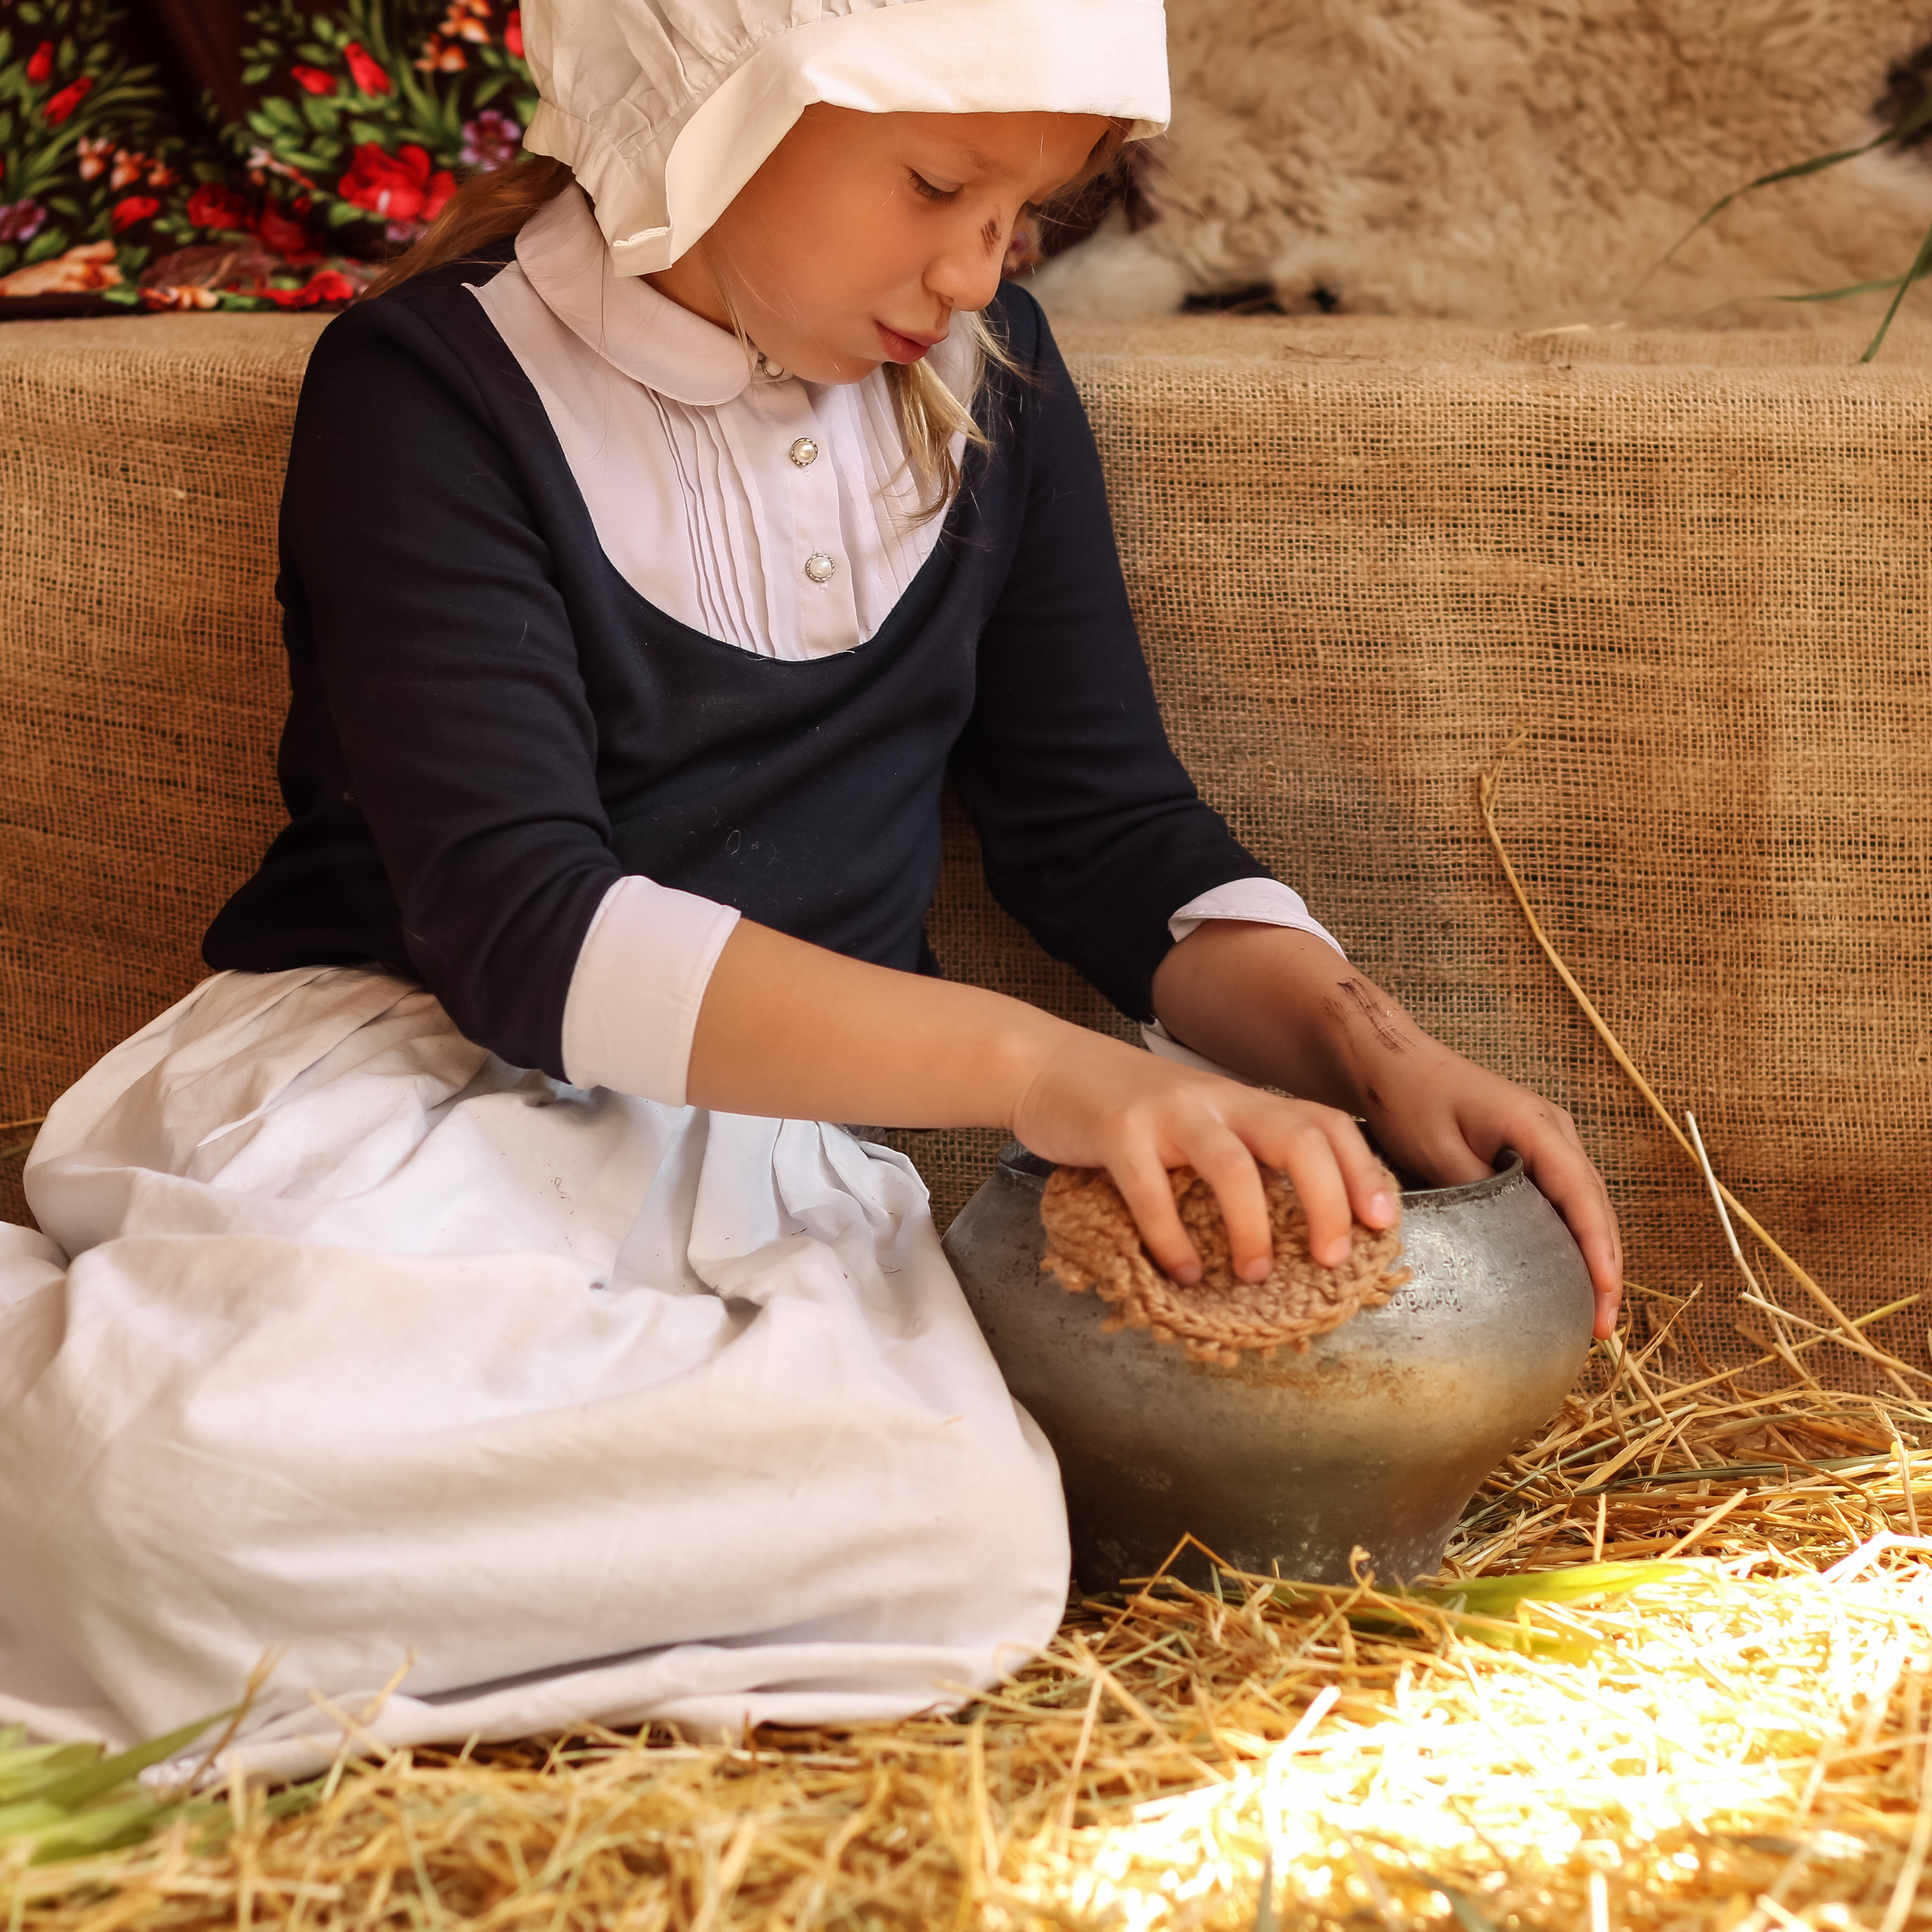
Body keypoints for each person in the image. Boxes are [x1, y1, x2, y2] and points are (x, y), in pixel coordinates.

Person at [0, 0, 1619, 1775]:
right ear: (709, 101)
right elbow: (525, 928)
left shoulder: (988, 377)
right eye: (933, 181)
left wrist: (1356, 1042)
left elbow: (1101, 827)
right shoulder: (430, 387)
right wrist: (1049, 1071)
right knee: (162, 1491)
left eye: (1025, 217)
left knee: (962, 1537)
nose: (973, 268)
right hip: (414, 1083)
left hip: (761, 1152)